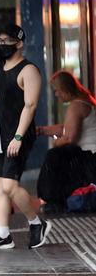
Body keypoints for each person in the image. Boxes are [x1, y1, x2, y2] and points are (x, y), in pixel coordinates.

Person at [0, 24, 51, 250]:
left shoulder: (29, 70)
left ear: (19, 43)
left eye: (7, 41)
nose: (2, 45)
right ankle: (3, 234)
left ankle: (37, 223)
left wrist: (18, 137)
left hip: (18, 135)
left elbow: (30, 105)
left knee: (9, 186)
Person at [36, 70, 96, 210]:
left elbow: (69, 137)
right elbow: (67, 127)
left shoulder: (76, 106)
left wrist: (55, 143)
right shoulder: (87, 100)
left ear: (65, 90)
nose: (56, 95)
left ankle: (52, 200)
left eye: (57, 91)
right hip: (91, 158)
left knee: (54, 156)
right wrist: (43, 130)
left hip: (91, 160)